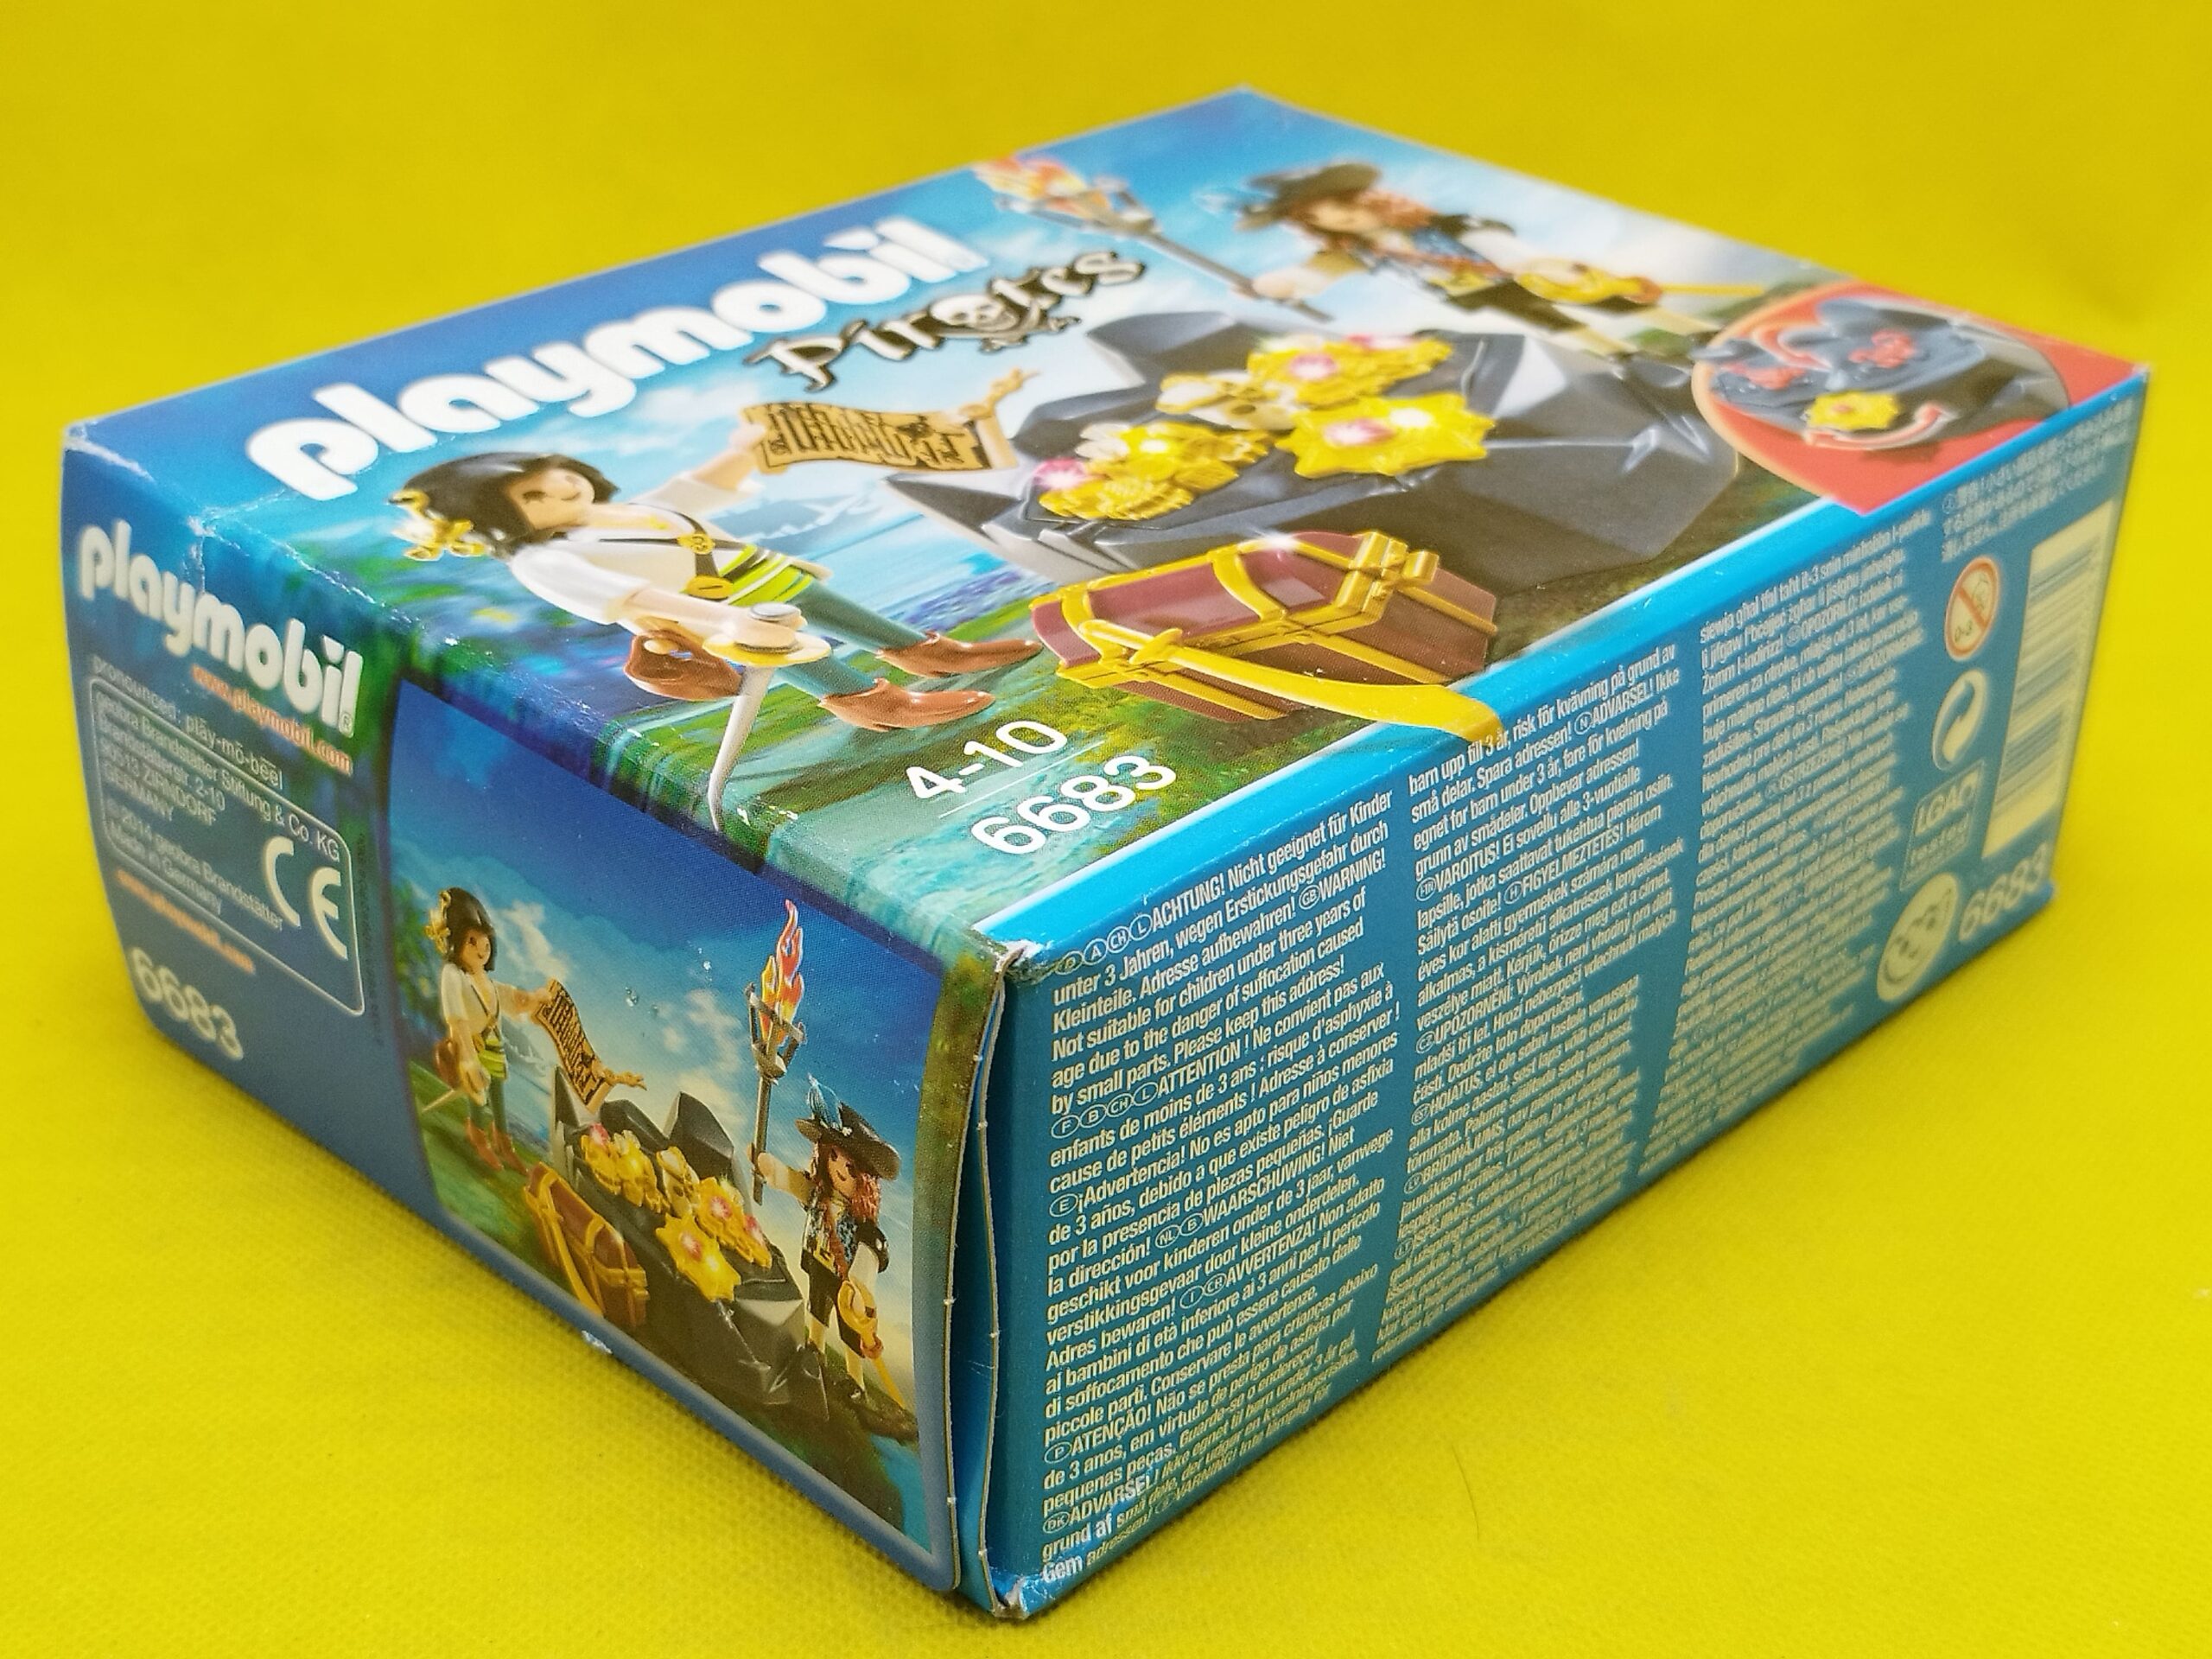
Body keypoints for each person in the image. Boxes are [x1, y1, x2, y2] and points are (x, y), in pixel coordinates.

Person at [391, 416, 1037, 731]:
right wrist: (727, 620)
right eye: (533, 497)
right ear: (502, 523)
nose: (559, 489)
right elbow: (635, 598)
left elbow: (698, 488)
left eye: (551, 475)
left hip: (773, 577)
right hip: (726, 613)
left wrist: (745, 449)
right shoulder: (544, 560)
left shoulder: (622, 511)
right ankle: (877, 704)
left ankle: (932, 655)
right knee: (805, 657)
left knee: (855, 619)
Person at [1239, 162, 1732, 357]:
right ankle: (1622, 356)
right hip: (1479, 292)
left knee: (1612, 302)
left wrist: (1540, 265)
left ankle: (1699, 333)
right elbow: (1309, 275)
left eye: (1342, 205)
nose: (1339, 219)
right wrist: (1272, 285)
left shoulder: (1442, 225)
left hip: (1518, 273)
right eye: (1321, 217)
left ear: (1366, 198)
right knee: (1550, 322)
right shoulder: (1358, 252)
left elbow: (1496, 244)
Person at [753, 1088, 902, 1422]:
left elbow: (867, 1260)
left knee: (849, 1331)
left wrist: (860, 1291)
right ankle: (815, 1350)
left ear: (865, 1181)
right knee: (816, 1307)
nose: (840, 1169)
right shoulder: (819, 1196)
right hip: (819, 1266)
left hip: (844, 1282)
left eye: (850, 1166)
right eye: (833, 1156)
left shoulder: (863, 1227)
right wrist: (772, 1170)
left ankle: (856, 1382)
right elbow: (795, 1184)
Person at [426, 887, 550, 1173]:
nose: (481, 948)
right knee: (477, 1094)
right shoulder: (453, 976)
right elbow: (457, 1019)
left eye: (484, 940)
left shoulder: (486, 980)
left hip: (494, 1046)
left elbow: (512, 999)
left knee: (497, 1093)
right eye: (472, 941)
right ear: (455, 941)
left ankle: (504, 1143)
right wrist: (468, 1058)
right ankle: (478, 1135)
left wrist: (535, 998)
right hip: (472, 1047)